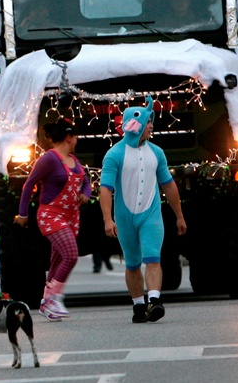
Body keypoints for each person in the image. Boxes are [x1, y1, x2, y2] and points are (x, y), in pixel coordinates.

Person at [100, 97, 186, 324]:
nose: (151, 126)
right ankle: (139, 305)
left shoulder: (157, 153)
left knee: (153, 258)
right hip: (124, 218)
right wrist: (108, 219)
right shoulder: (114, 155)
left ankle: (154, 301)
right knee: (132, 263)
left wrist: (179, 215)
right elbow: (106, 189)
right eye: (148, 122)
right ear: (135, 124)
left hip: (151, 215)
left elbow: (168, 185)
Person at [15, 119, 92, 321]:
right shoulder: (49, 159)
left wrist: (86, 194)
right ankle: (55, 297)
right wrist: (23, 214)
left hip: (70, 216)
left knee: (57, 259)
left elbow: (86, 181)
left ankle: (46, 302)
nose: (77, 140)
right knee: (71, 254)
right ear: (69, 137)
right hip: (51, 215)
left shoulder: (74, 160)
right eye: (75, 136)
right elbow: (29, 184)